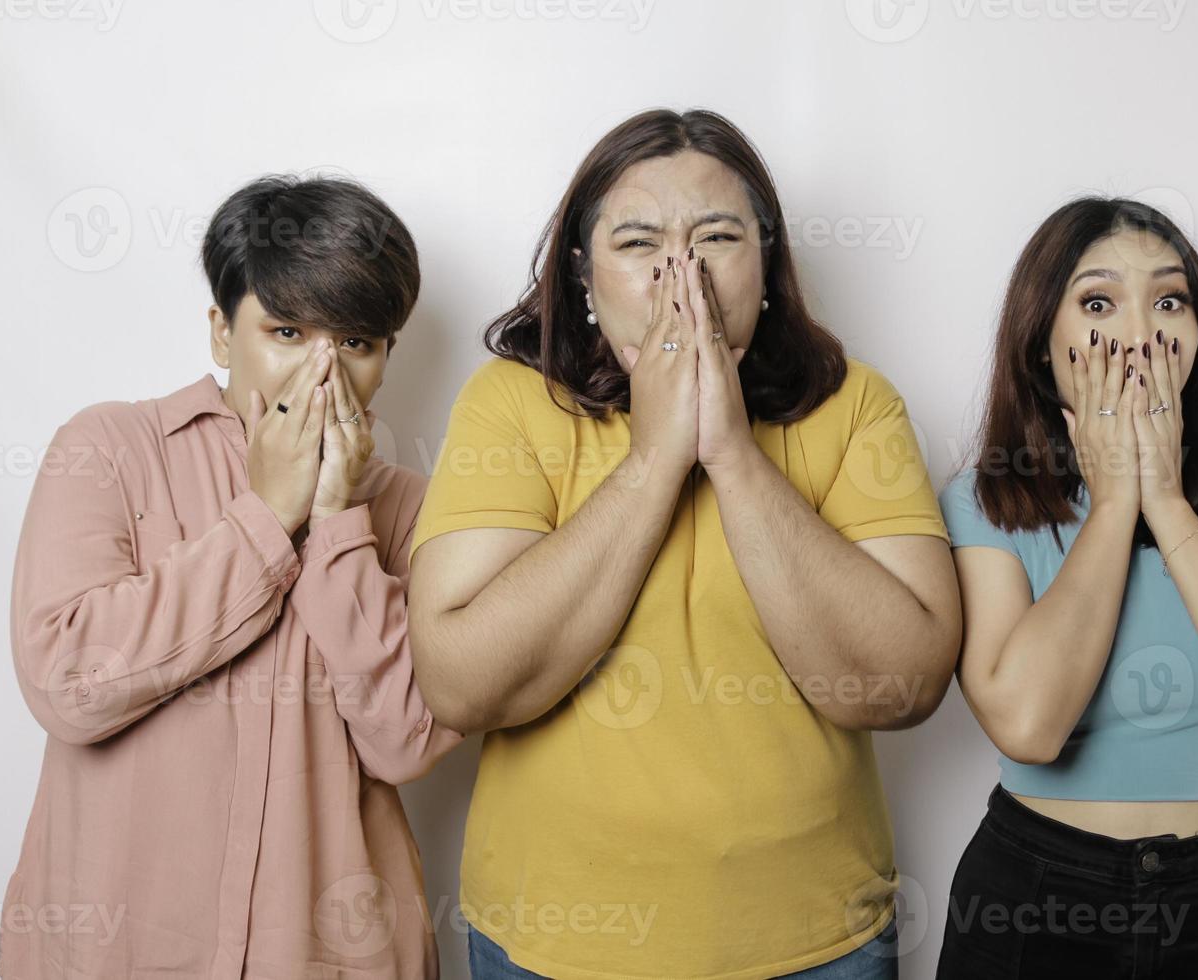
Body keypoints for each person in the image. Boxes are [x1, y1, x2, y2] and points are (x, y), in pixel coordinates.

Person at [407, 108, 963, 979]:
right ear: (584, 278)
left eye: (717, 236)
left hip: (817, 942)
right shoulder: (509, 404)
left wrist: (732, 454)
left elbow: (903, 683)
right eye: (638, 243)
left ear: (768, 268)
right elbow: (460, 683)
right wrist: (655, 458)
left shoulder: (857, 405)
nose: (682, 275)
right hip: (555, 948)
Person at [0, 174, 462, 979]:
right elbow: (66, 681)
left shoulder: (417, 512)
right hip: (111, 953)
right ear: (222, 334)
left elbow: (407, 737)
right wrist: (265, 518)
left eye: (355, 342)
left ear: (387, 361)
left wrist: (338, 521)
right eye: (286, 332)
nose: (323, 373)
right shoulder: (109, 447)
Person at [934, 197, 1198, 978]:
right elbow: (1028, 726)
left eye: (1169, 300)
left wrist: (1163, 499)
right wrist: (1115, 500)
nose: (1140, 333)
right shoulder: (984, 498)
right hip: (1034, 893)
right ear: (1041, 346)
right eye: (1098, 303)